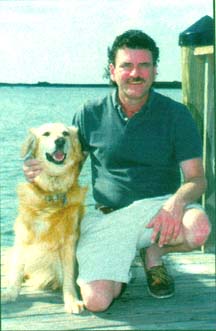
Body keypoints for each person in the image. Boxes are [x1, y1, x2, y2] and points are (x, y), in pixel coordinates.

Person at [24, 30, 211, 312]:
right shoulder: (89, 113)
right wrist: (40, 171)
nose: (135, 73)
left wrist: (176, 203)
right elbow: (69, 169)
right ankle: (121, 267)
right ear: (112, 71)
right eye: (126, 65)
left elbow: (197, 178)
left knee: (199, 228)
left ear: (155, 70)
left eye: (144, 65)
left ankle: (153, 254)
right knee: (97, 302)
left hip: (159, 214)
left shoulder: (177, 114)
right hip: (108, 218)